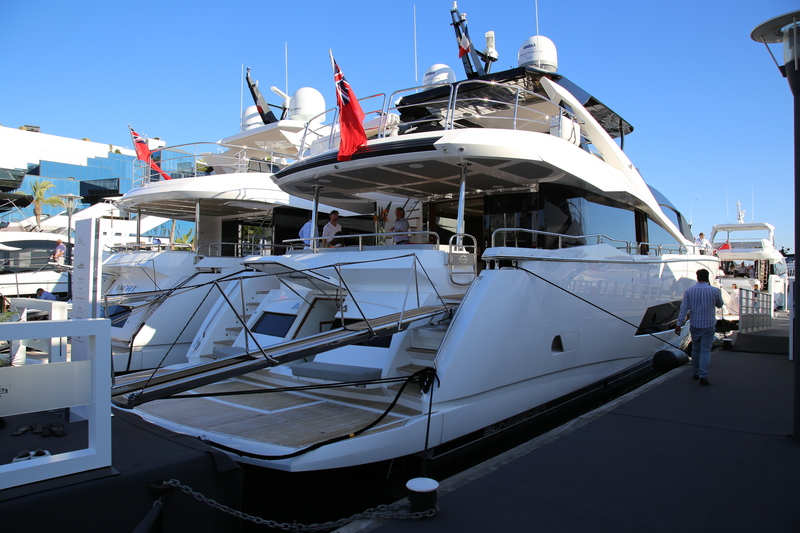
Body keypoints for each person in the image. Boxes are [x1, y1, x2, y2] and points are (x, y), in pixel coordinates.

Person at [674, 269, 723, 385]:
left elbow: (684, 309)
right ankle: (703, 375)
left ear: (697, 277)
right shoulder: (715, 291)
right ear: (708, 277)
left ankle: (695, 372)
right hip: (709, 324)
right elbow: (720, 305)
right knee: (705, 350)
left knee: (696, 349)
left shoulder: (689, 291)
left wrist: (679, 324)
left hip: (695, 324)